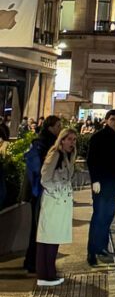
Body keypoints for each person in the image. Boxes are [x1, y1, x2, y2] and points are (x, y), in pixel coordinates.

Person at [36, 128, 78, 287]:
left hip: (60, 202)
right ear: (62, 140)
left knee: (53, 238)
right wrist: (57, 192)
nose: (72, 143)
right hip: (54, 201)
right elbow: (45, 178)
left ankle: (48, 274)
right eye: (69, 139)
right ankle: (46, 275)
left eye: (74, 140)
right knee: (48, 238)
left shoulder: (67, 156)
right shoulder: (56, 154)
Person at [23, 115, 61, 273]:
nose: (59, 129)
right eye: (58, 126)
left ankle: (32, 261)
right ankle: (35, 263)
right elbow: (43, 171)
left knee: (38, 228)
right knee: (41, 228)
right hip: (41, 192)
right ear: (50, 127)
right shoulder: (46, 144)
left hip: (38, 191)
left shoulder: (44, 142)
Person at [86, 109, 115, 267]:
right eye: (113, 119)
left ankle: (102, 247)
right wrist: (95, 180)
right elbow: (91, 160)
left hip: (113, 183)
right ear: (106, 120)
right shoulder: (98, 137)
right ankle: (92, 251)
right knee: (99, 217)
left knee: (108, 217)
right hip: (102, 183)